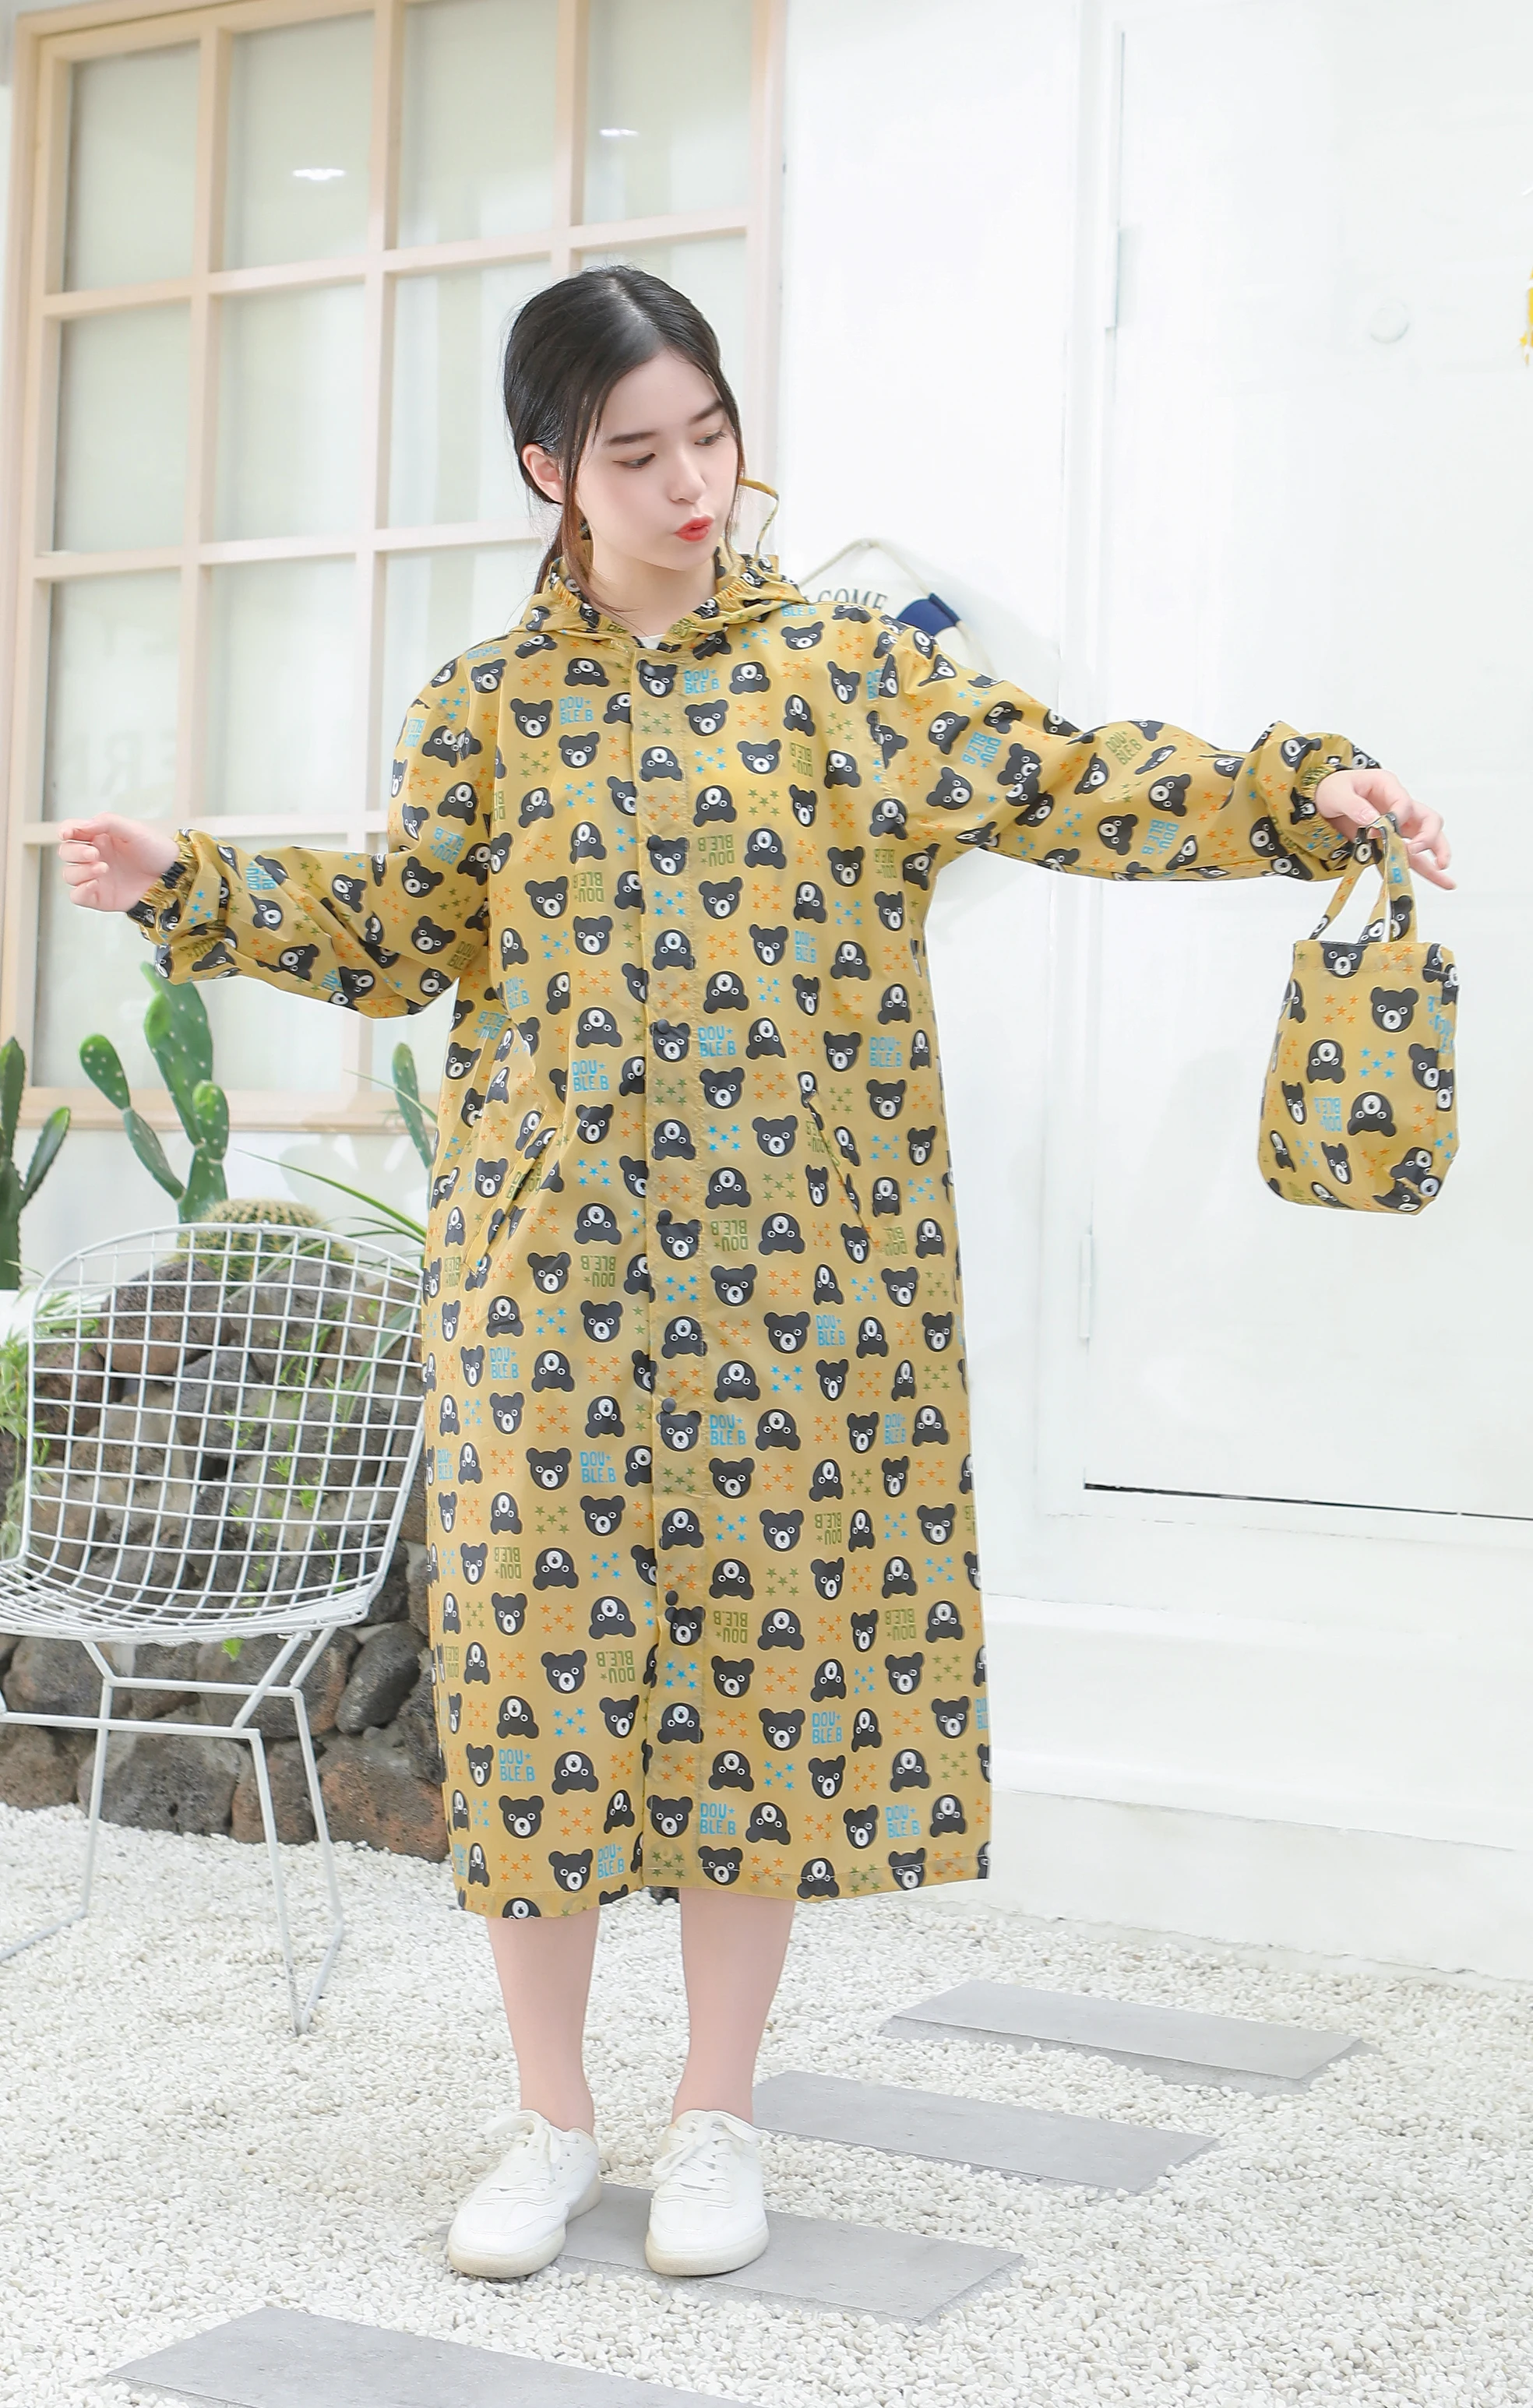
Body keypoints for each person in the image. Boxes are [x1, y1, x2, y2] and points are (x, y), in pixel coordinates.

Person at [58, 265, 1453, 2287]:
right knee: (531, 1691)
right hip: (542, 1285)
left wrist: (1287, 794)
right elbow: (397, 932)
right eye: (638, 451)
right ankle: (551, 2122)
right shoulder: (482, 708)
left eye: (710, 433)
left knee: (754, 1690)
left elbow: (1068, 779)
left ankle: (716, 2115)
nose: (692, 482)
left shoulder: (851, 681)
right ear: (549, 467)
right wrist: (185, 884)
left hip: (798, 1301)